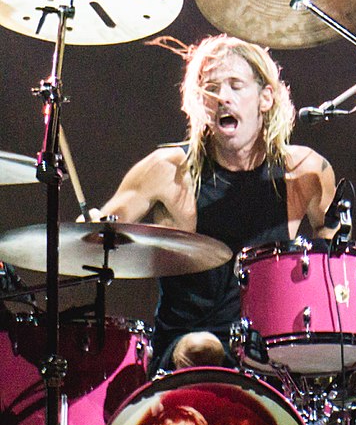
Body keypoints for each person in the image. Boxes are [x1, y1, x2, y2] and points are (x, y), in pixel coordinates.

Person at [94, 35, 336, 373]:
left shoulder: (305, 171)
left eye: (236, 85)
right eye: (211, 88)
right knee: (202, 347)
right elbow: (97, 232)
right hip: (183, 346)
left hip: (269, 351)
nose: (223, 97)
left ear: (265, 98)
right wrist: (93, 227)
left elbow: (334, 252)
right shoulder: (166, 170)